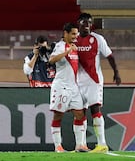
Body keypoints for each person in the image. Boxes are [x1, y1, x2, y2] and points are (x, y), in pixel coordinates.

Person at [76, 13, 121, 153]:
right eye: (84, 23)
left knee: (95, 109)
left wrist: (116, 72)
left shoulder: (97, 39)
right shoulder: (73, 40)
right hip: (77, 82)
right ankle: (81, 145)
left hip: (94, 81)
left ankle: (102, 144)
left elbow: (110, 56)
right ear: (78, 24)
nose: (86, 26)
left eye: (89, 23)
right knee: (79, 113)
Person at [48, 22, 87, 152]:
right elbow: (51, 60)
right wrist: (67, 51)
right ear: (66, 33)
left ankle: (80, 145)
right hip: (61, 86)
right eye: (73, 34)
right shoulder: (60, 46)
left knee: (80, 114)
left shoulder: (74, 46)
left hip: (73, 87)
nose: (76, 36)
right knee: (58, 116)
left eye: (77, 34)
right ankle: (58, 146)